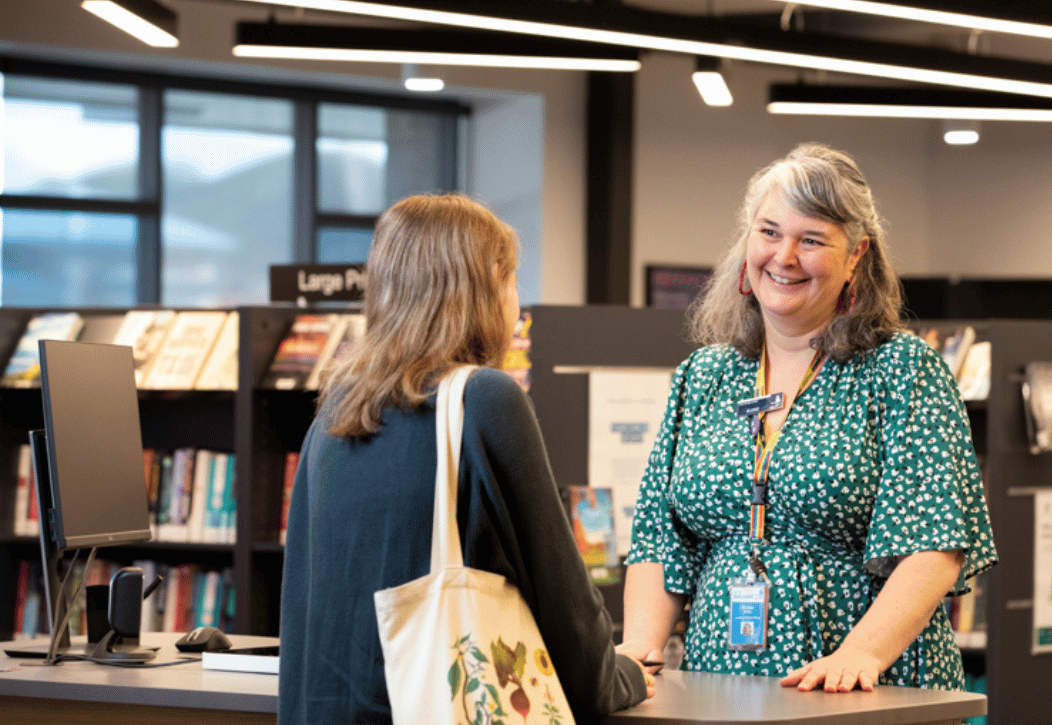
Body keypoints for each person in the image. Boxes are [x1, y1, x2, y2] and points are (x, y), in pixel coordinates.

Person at [619, 143, 997, 694]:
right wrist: (639, 650)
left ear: (856, 257)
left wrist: (861, 654)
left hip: (865, 684)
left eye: (812, 240)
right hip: (719, 683)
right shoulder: (706, 375)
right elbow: (659, 537)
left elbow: (934, 543)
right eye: (769, 232)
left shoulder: (902, 370)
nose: (784, 256)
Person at [279, 194, 653, 724]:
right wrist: (621, 675)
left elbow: (303, 608)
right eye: (514, 282)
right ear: (493, 279)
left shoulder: (336, 408)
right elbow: (560, 597)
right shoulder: (485, 399)